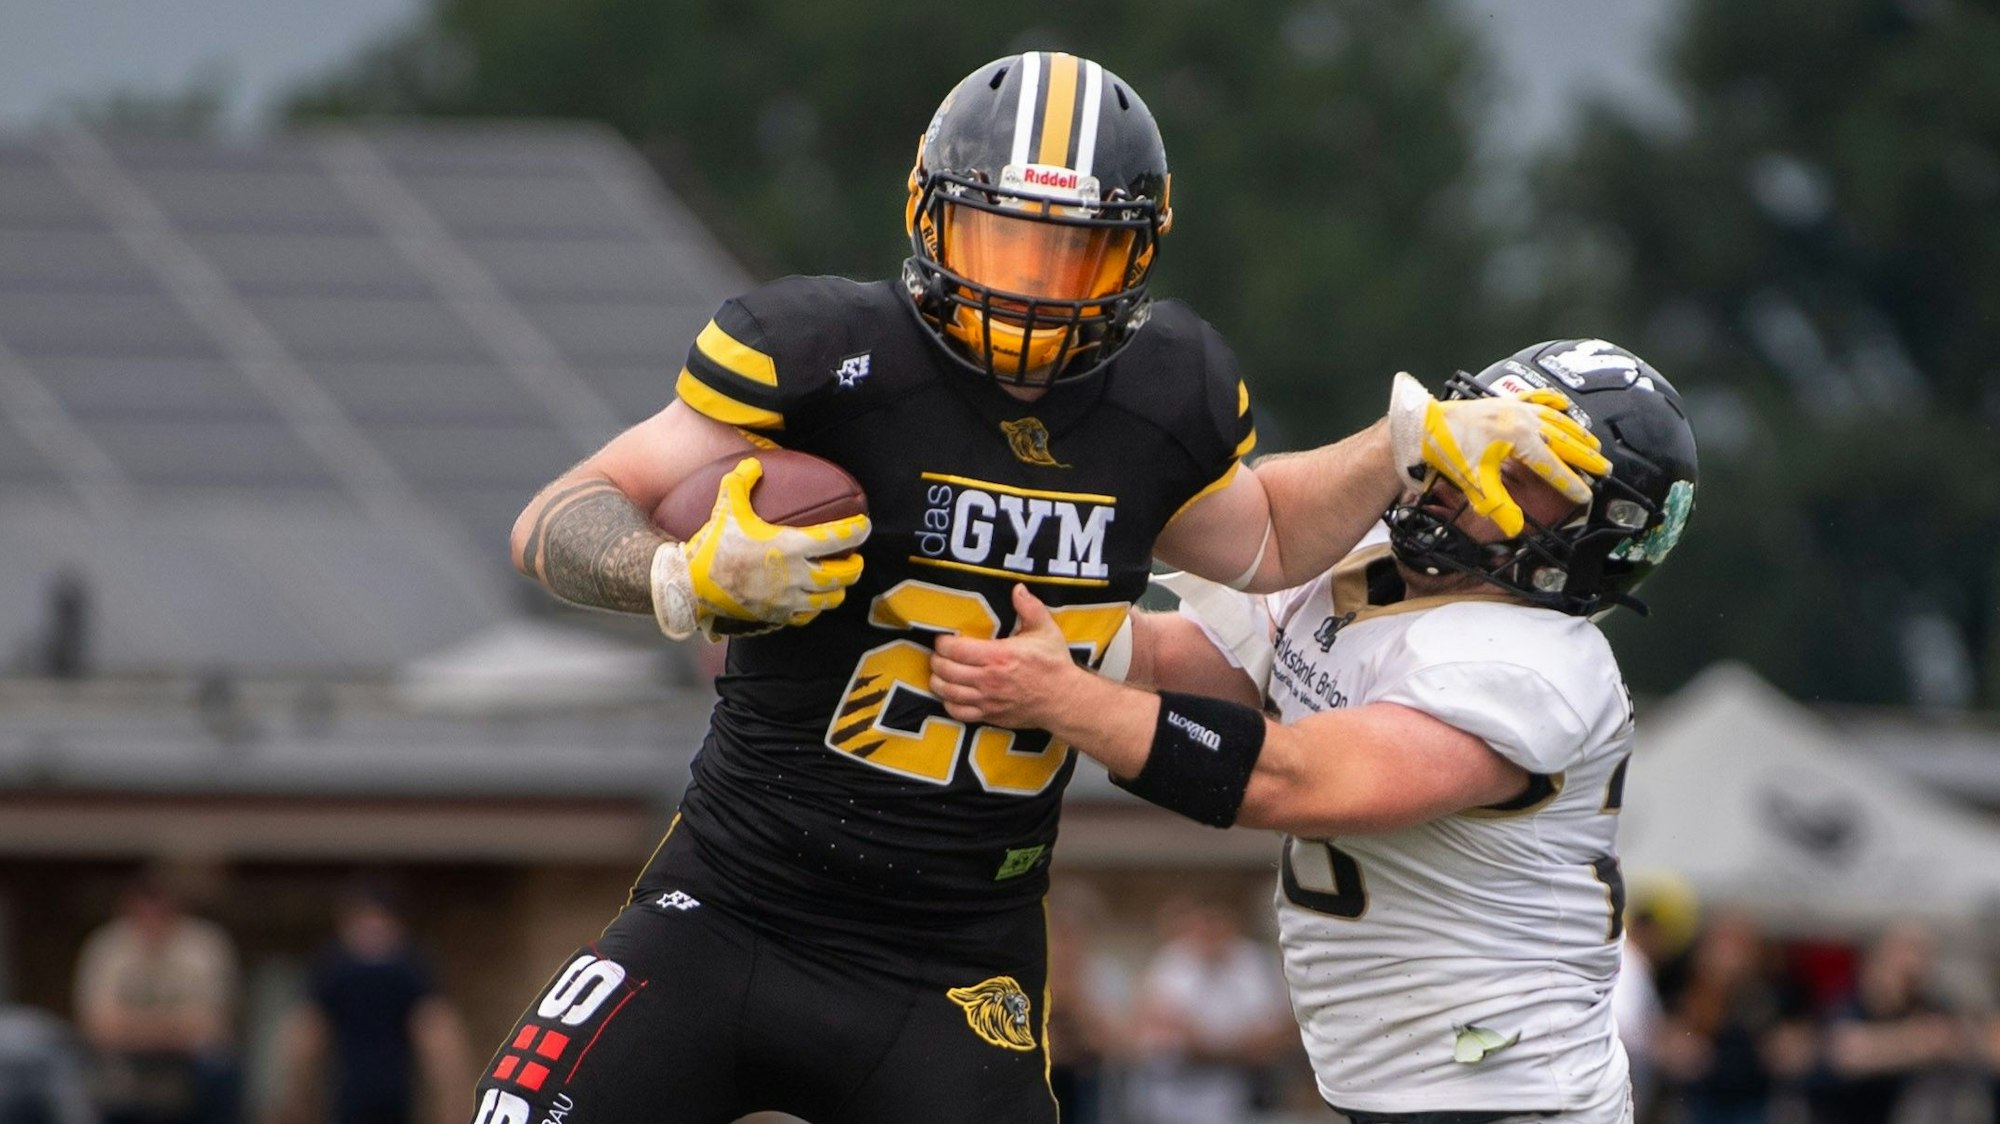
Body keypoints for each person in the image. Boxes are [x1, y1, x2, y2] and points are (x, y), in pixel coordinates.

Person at [491, 51, 1607, 1124]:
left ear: (1140, 255)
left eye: (1072, 254)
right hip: (734, 902)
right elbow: (556, 517)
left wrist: (1395, 445)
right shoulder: (822, 350)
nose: (1031, 288)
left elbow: (1263, 533)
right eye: (1002, 239)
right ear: (928, 214)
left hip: (952, 955)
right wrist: (676, 573)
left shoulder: (1167, 396)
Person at [933, 339, 1700, 1124]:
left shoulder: (1543, 665)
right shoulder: (1365, 557)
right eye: (1482, 430)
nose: (1475, 466)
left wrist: (1063, 699)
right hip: (1399, 1090)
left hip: (1508, 1094)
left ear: (1600, 533)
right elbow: (1173, 655)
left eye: (1532, 464)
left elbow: (1294, 781)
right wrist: (1041, 630)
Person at [269, 882, 473, 1124]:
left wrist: (296, 1096)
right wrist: (454, 1100)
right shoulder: (408, 966)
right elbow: (439, 1038)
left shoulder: (337, 966)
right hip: (386, 1099)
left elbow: (305, 1036)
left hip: (354, 1098)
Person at [73, 873, 239, 1124]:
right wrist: (172, 1027)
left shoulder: (205, 944)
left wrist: (135, 1028)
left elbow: (213, 1025)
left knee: (221, 1067)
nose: (152, 920)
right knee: (81, 1074)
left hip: (190, 1062)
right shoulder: (107, 945)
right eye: (143, 910)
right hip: (123, 1060)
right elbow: (98, 1026)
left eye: (160, 911)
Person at [1123, 896, 1296, 1124]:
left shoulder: (1255, 963)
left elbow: (1274, 1037)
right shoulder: (1170, 963)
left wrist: (1208, 1045)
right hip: (1172, 1101)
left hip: (1245, 1098)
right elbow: (1158, 1035)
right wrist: (1233, 1047)